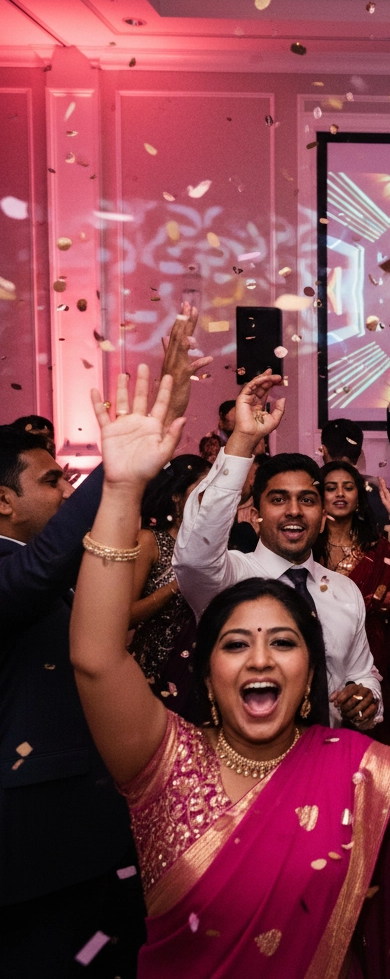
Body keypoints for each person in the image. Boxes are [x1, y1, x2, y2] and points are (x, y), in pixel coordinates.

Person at [68, 366, 390, 977]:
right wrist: (120, 489)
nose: (263, 659)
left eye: (286, 644)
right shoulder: (165, 757)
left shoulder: (347, 764)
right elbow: (97, 652)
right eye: (237, 644)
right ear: (206, 661)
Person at [0, 307, 205, 977]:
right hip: (36, 852)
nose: (66, 485)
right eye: (52, 479)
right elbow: (41, 569)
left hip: (86, 836)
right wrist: (117, 478)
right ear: (3, 502)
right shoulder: (19, 572)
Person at [173, 371, 384, 731]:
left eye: (307, 500)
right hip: (246, 764)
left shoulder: (344, 591)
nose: (293, 511)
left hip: (325, 761)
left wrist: (367, 699)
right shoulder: (231, 578)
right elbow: (194, 555)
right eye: (277, 499)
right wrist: (242, 440)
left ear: (322, 518)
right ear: (254, 515)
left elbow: (362, 674)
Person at [315, 460, 390, 742]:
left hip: (372, 655)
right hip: (317, 653)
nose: (340, 494)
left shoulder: (379, 549)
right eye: (331, 488)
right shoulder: (306, 549)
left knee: (368, 743)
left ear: (358, 497)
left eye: (348, 487)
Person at [129, 454, 211, 717]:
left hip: (203, 672)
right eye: (201, 492)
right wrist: (179, 583)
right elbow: (125, 616)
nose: (210, 501)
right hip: (156, 672)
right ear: (177, 498)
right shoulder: (150, 542)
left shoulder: (216, 549)